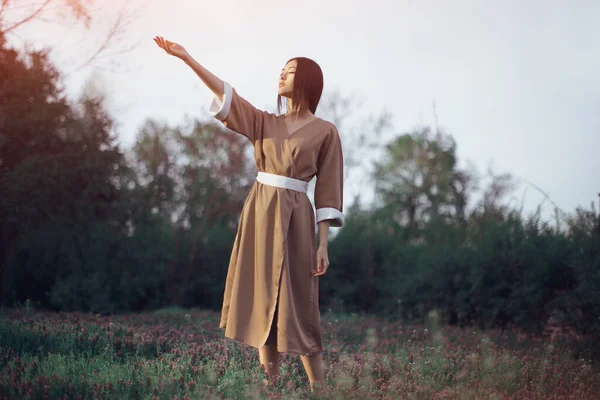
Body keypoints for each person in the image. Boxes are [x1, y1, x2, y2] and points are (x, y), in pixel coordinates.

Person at [153, 36, 344, 392]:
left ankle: (321, 390)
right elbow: (228, 97)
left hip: (297, 219)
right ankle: (268, 389)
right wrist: (187, 58)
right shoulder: (263, 122)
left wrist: (323, 245)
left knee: (300, 303)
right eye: (281, 71)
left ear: (306, 81)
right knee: (263, 305)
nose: (281, 76)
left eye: (289, 72)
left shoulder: (325, 132)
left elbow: (328, 190)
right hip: (259, 214)